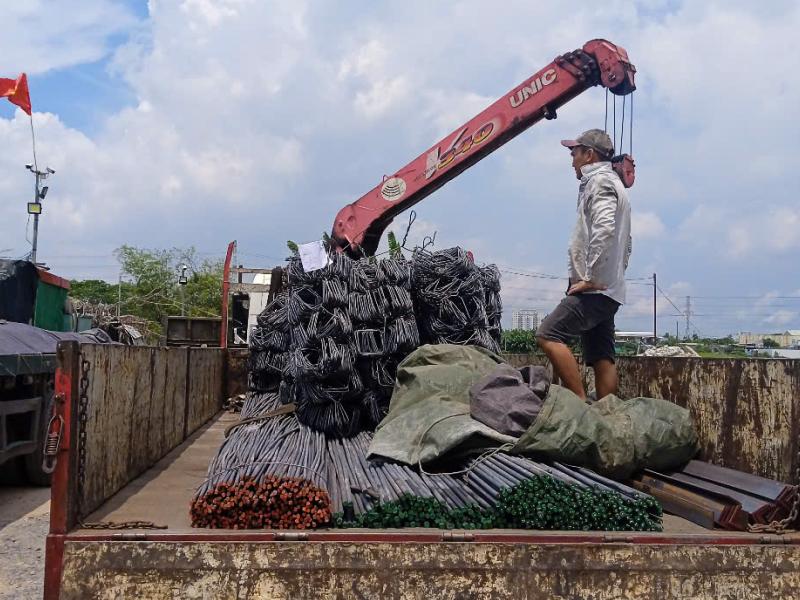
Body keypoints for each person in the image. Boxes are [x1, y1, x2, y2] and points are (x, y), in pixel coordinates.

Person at [536, 129, 631, 401]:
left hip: (595, 289)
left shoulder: (599, 183)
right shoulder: (613, 184)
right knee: (601, 356)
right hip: (609, 288)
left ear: (589, 154)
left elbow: (604, 229)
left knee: (548, 334)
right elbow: (627, 244)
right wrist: (614, 275)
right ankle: (607, 413)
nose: (571, 159)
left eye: (574, 152)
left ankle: (578, 405)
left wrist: (591, 278)